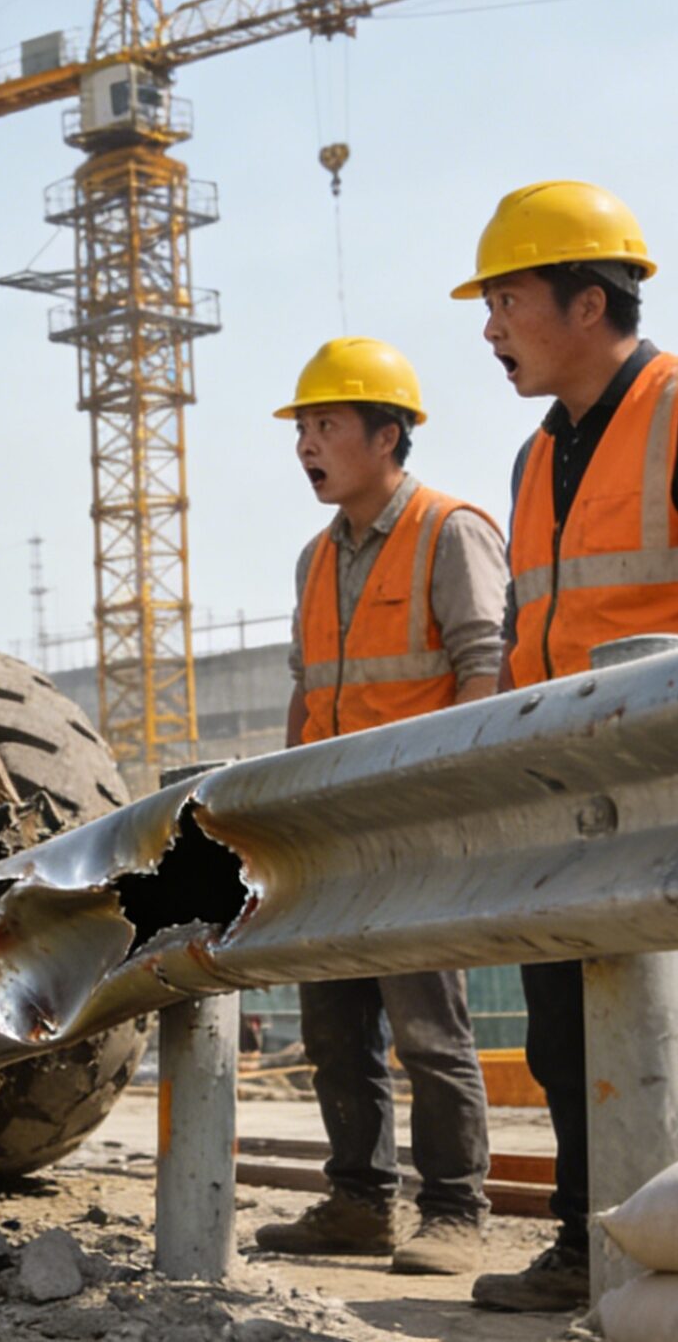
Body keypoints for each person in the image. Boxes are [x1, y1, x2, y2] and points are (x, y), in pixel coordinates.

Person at [454, 182, 678, 1312]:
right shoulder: (535, 454)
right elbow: (529, 627)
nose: (489, 328)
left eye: (507, 299)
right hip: (566, 794)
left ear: (587, 301)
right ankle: (592, 1243)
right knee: (562, 1033)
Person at [256, 338, 503, 1278]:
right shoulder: (316, 559)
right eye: (303, 429)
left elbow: (484, 664)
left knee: (427, 1029)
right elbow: (308, 690)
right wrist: (285, 806)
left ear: (387, 433)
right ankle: (359, 1202)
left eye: (325, 426)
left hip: (416, 827)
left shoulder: (451, 531)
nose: (306, 445)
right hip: (330, 833)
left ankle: (455, 1210)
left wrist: (455, 799)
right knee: (333, 1028)